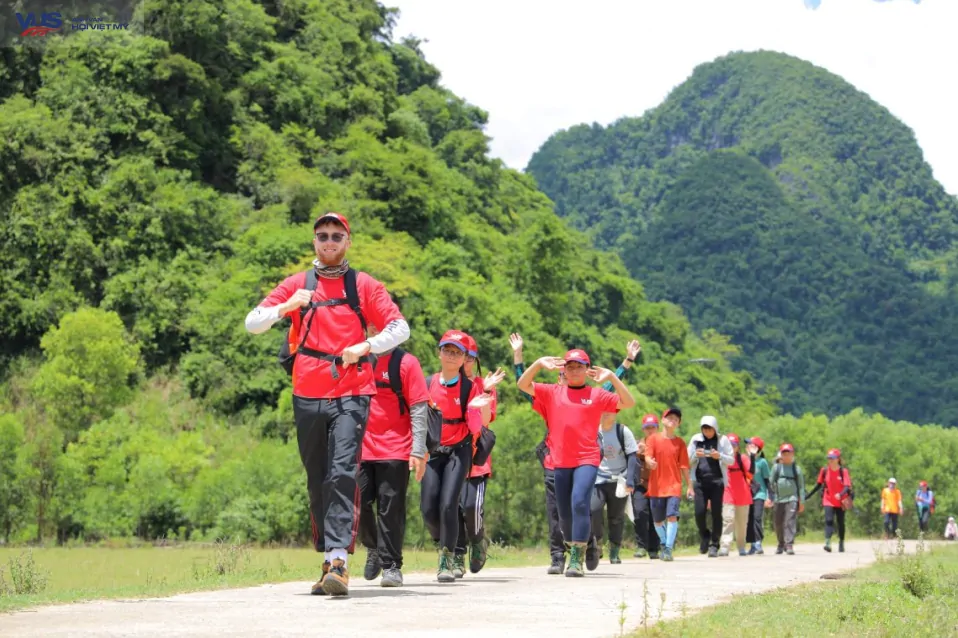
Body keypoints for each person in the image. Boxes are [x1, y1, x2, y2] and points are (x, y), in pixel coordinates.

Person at [244, 212, 409, 597]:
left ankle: (339, 561)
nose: (329, 241)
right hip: (306, 392)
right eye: (322, 236)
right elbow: (252, 322)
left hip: (352, 390)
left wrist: (366, 346)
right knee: (317, 477)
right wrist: (285, 308)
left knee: (342, 471)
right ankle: (327, 560)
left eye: (337, 236)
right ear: (314, 241)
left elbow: (399, 328)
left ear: (348, 241)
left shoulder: (364, 285)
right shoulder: (297, 284)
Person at [510, 333, 635, 575]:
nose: (574, 370)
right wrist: (536, 363)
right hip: (558, 461)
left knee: (579, 502)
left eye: (580, 366)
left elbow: (628, 402)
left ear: (587, 369)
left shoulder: (597, 394)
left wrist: (612, 375)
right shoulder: (551, 393)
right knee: (564, 514)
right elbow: (522, 385)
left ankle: (576, 558)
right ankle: (577, 544)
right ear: (563, 370)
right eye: (570, 366)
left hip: (587, 459)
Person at [422, 331, 499, 583]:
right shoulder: (427, 383)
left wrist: (482, 402)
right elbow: (418, 419)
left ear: (465, 357)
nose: (452, 356)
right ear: (439, 352)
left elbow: (481, 425)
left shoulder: (472, 387)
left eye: (458, 353)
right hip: (434, 450)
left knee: (450, 504)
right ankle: (446, 541)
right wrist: (417, 453)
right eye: (447, 350)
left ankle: (449, 556)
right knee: (428, 509)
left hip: (460, 449)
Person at [358, 322, 429, 587]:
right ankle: (373, 546)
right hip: (361, 448)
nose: (377, 329)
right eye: (373, 323)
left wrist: (418, 450)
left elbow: (419, 408)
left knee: (390, 510)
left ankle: (391, 566)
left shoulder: (407, 363)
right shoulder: (359, 359)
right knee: (357, 502)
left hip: (396, 448)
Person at [454, 333, 504, 577]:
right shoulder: (446, 381)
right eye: (463, 356)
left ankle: (478, 542)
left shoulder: (484, 386)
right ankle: (456, 555)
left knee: (472, 507)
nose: (466, 362)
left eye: (471, 357)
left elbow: (485, 421)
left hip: (475, 460)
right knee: (452, 507)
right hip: (451, 455)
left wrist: (484, 392)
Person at [644, 405, 691, 562]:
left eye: (676, 419)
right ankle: (664, 543)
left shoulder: (680, 443)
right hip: (656, 486)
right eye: (670, 418)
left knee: (672, 516)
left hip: (674, 486)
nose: (673, 420)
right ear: (663, 420)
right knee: (657, 521)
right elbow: (647, 456)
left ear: (679, 424)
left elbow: (684, 466)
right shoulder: (653, 439)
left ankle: (669, 548)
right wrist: (649, 462)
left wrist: (689, 485)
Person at [590, 413, 639, 564]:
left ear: (615, 414)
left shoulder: (623, 431)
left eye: (609, 411)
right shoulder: (593, 431)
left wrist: (630, 481)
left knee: (616, 517)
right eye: (602, 411)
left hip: (619, 480)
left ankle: (614, 550)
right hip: (598, 479)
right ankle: (597, 543)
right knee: (593, 510)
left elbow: (632, 457)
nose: (604, 414)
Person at [687, 415, 734, 558]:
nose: (707, 432)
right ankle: (705, 536)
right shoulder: (695, 440)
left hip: (717, 481)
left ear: (715, 429)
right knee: (699, 512)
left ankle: (714, 544)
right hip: (700, 482)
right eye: (704, 429)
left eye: (710, 429)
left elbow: (731, 460)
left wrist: (719, 456)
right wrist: (696, 455)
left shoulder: (723, 440)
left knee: (716, 514)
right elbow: (687, 460)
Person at [632, 412, 668, 559]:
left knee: (656, 516)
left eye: (653, 427)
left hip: (658, 485)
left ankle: (654, 548)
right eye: (647, 427)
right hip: (640, 485)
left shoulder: (663, 444)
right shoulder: (636, 445)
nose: (650, 430)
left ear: (657, 428)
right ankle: (641, 546)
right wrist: (635, 453)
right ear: (643, 429)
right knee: (639, 513)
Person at [806, 448, 853, 553]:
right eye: (829, 458)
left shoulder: (843, 471)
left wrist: (840, 494)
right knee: (829, 520)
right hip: (828, 499)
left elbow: (846, 486)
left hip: (841, 501)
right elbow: (818, 485)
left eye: (833, 458)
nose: (830, 460)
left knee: (840, 522)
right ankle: (827, 542)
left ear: (838, 459)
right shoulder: (824, 470)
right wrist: (808, 496)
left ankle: (841, 542)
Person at [718, 433, 752, 557]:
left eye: (734, 445)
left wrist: (752, 457)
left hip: (743, 494)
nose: (732, 447)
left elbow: (751, 472)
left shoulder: (742, 458)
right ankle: (725, 547)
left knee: (742, 523)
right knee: (728, 519)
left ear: (738, 447)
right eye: (729, 445)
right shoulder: (721, 459)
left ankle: (741, 546)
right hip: (728, 493)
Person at [769, 443, 805, 555]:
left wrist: (802, 501)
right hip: (779, 499)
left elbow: (801, 486)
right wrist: (770, 497)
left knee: (789, 521)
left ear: (792, 454)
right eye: (784, 453)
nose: (786, 455)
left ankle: (789, 544)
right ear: (781, 455)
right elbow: (770, 483)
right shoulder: (777, 468)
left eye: (788, 453)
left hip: (792, 498)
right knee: (778, 523)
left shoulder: (796, 469)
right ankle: (780, 543)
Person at [745, 437, 771, 555]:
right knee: (749, 520)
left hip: (759, 493)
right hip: (747, 494)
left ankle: (758, 542)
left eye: (750, 445)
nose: (747, 447)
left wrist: (769, 496)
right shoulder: (745, 460)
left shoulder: (762, 462)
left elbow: (767, 480)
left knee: (757, 518)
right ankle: (752, 544)